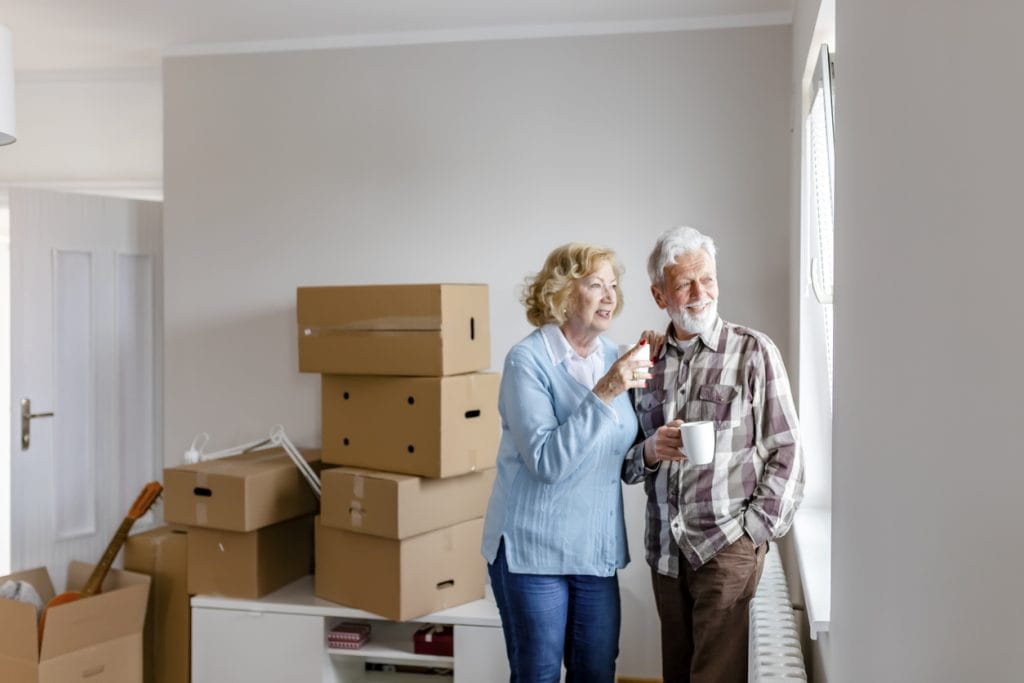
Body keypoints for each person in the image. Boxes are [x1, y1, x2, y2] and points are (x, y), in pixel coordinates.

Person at [622, 226, 805, 683]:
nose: (699, 293)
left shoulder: (753, 352)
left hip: (727, 549)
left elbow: (789, 453)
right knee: (678, 676)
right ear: (659, 293)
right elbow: (623, 462)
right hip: (665, 552)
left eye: (707, 279)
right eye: (684, 283)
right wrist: (649, 449)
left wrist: (752, 533)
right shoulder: (645, 362)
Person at [481, 242, 653, 683]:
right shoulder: (527, 361)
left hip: (594, 549)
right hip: (532, 551)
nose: (610, 295)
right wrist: (607, 392)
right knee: (537, 676)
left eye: (613, 285)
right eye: (596, 284)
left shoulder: (616, 357)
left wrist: (654, 449)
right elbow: (547, 462)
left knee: (596, 672)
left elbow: (613, 450)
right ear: (560, 293)